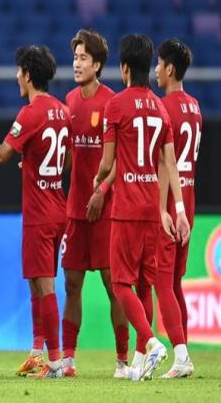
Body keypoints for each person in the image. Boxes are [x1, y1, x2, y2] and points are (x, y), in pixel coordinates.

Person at [94, 34, 191, 381]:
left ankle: (152, 343)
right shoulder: (161, 109)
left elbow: (107, 163)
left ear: (124, 68)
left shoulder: (115, 106)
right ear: (148, 66)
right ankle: (140, 362)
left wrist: (97, 180)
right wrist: (177, 209)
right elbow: (170, 163)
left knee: (121, 284)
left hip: (126, 207)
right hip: (153, 206)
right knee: (144, 285)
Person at [0, 45, 71, 379]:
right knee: (37, 284)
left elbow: (0, 155)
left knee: (45, 287)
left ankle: (54, 363)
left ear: (28, 75)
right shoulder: (62, 111)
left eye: (19, 71)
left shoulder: (30, 113)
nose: (17, 76)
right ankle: (37, 352)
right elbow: (66, 161)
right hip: (58, 208)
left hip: (39, 215)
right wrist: (36, 163)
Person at [60, 29, 129, 378]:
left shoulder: (111, 103)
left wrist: (102, 190)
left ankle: (122, 360)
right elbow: (70, 155)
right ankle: (68, 359)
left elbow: (120, 158)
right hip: (75, 210)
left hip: (105, 211)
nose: (76, 63)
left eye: (83, 58)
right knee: (72, 284)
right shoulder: (70, 100)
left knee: (113, 286)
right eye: (75, 57)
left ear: (98, 64)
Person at [154, 38, 201, 378]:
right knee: (175, 283)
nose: (155, 70)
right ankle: (184, 352)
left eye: (159, 64)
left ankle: (181, 356)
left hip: (171, 202)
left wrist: (162, 208)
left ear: (169, 68)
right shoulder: (195, 107)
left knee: (162, 283)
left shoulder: (163, 108)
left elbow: (163, 163)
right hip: (190, 199)